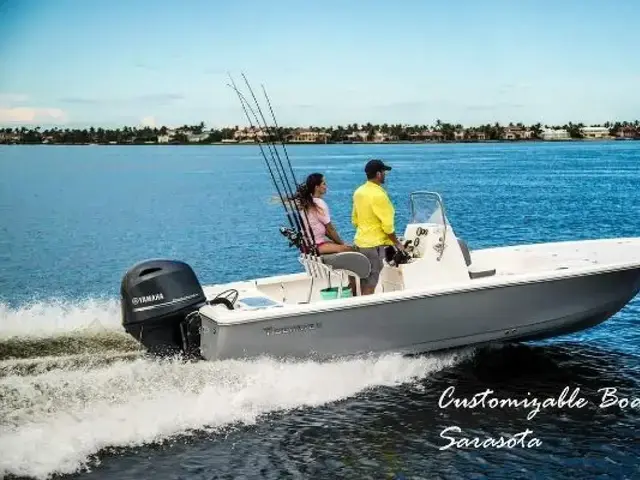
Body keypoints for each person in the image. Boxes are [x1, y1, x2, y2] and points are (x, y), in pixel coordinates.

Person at [351, 159, 404, 295]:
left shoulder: (359, 192)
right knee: (370, 283)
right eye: (384, 172)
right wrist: (397, 244)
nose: (385, 175)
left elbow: (355, 220)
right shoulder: (379, 195)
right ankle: (365, 314)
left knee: (359, 281)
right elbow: (387, 227)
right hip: (373, 247)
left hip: (359, 243)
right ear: (379, 174)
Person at [293, 173, 352, 254]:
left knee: (338, 244)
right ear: (317, 187)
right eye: (324, 184)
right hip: (316, 245)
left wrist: (338, 242)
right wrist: (342, 244)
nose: (325, 186)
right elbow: (330, 229)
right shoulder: (319, 203)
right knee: (349, 249)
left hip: (307, 245)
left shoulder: (307, 203)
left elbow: (327, 231)